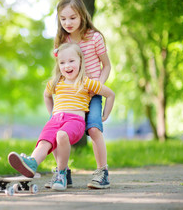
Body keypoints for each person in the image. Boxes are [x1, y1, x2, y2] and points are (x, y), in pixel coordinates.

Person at [8, 43, 115, 191]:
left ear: (80, 62)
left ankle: (61, 173)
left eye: (71, 61)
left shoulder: (86, 82)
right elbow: (46, 95)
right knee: (44, 142)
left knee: (61, 135)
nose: (67, 66)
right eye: (62, 62)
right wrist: (52, 113)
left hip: (75, 121)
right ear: (58, 65)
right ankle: (32, 164)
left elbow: (110, 94)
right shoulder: (56, 82)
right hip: (56, 119)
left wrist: (105, 114)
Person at [48, 0, 112, 189]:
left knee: (93, 128)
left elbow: (106, 66)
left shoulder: (95, 38)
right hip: (69, 95)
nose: (68, 22)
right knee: (56, 131)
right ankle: (63, 172)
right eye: (63, 18)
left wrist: (98, 88)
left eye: (73, 17)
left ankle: (102, 172)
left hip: (91, 92)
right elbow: (61, 68)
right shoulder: (61, 40)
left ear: (82, 16)